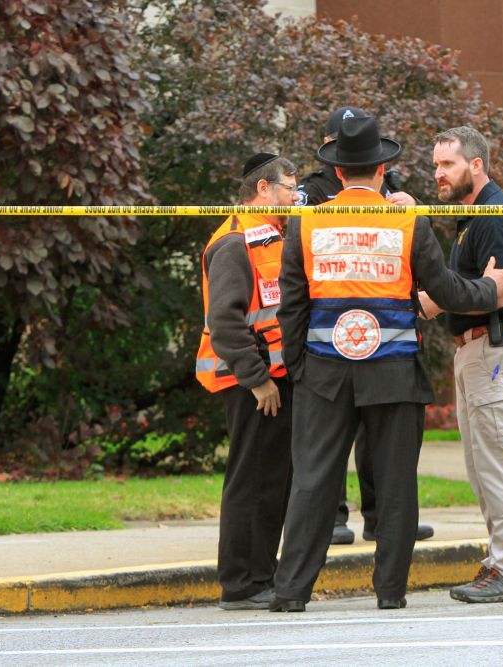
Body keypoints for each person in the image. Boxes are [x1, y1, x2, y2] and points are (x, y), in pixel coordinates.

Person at [270, 115, 503, 612]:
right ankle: (390, 592)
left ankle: (291, 591)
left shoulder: (308, 221)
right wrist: (491, 290)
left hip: (323, 373)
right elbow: (444, 290)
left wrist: (299, 368)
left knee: (313, 482)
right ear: (383, 168)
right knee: (397, 486)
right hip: (394, 374)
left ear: (337, 173)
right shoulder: (407, 221)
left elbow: (291, 307)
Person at [299, 105, 434, 547]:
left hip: (386, 332)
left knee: (381, 447)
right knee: (331, 445)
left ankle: (381, 518)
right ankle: (336, 516)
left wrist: (412, 211)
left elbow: (415, 255)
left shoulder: (390, 190)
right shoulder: (312, 195)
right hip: (335, 334)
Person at [416, 126, 503, 604]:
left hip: (496, 348)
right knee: (481, 465)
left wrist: (437, 299)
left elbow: (500, 292)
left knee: (498, 463)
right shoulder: (471, 220)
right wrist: (441, 298)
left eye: (447, 164)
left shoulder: (492, 216)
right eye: (435, 165)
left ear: (477, 164)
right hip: (477, 350)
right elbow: (470, 291)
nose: (438, 174)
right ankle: (499, 563)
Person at [194, 153, 298, 610]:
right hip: (251, 384)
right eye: (289, 189)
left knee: (269, 481)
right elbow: (225, 322)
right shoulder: (235, 242)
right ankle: (241, 583)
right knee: (251, 481)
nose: (295, 198)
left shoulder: (269, 236)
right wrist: (258, 381)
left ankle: (259, 575)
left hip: (268, 379)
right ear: (263, 190)